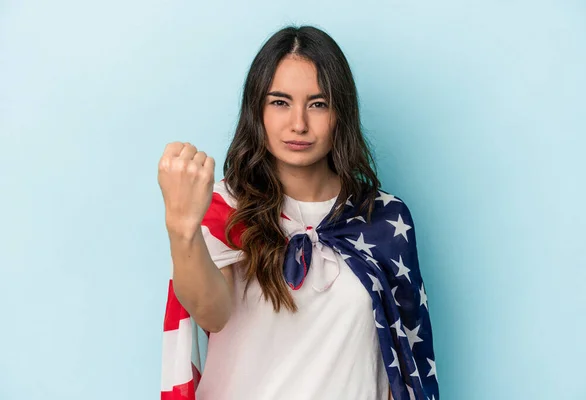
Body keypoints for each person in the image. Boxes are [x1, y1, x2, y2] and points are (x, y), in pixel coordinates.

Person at [158, 25, 439, 400]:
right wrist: (182, 231)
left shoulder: (384, 219)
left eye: (318, 104)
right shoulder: (228, 207)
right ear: (257, 110)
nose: (299, 123)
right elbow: (212, 313)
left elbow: (402, 364)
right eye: (280, 102)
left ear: (340, 113)